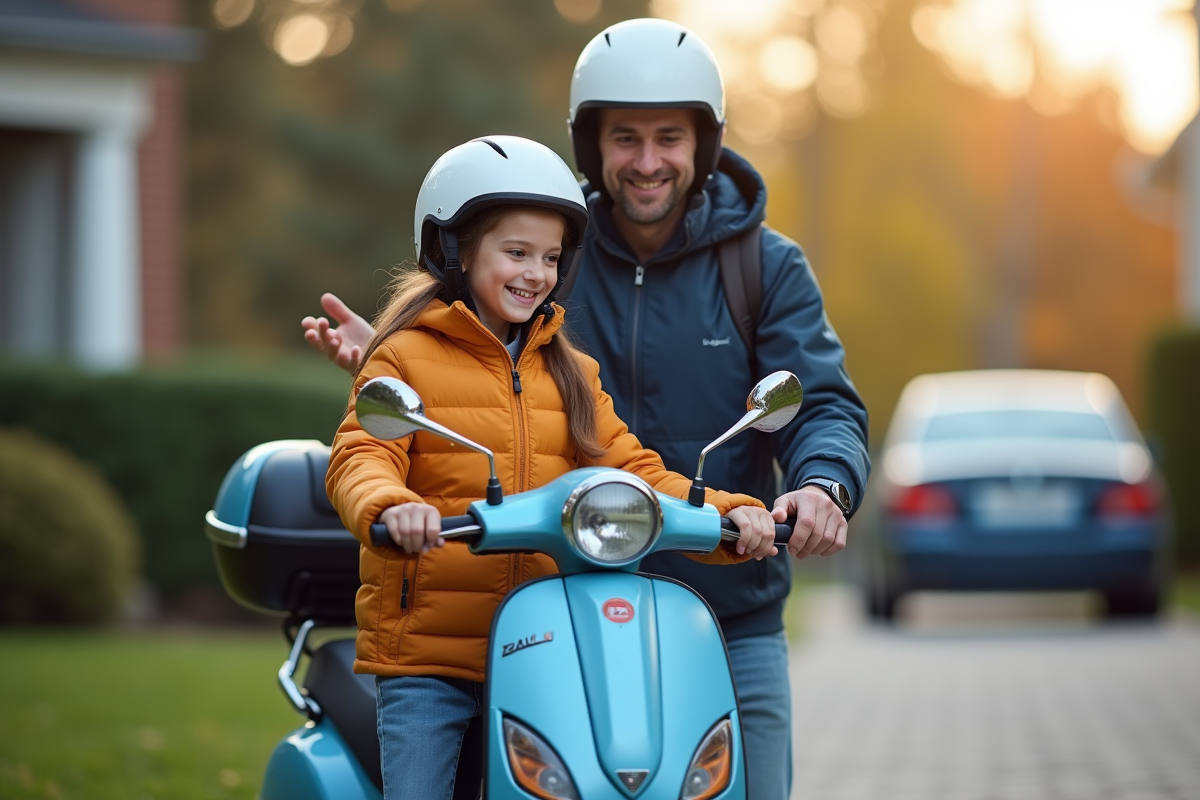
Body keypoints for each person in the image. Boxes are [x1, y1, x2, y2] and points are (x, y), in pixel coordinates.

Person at [306, 19, 870, 800]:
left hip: (722, 607)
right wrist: (403, 367)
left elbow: (658, 457)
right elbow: (446, 385)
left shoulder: (753, 271)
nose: (647, 161)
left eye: (669, 137)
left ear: (704, 144)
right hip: (553, 620)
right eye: (625, 137)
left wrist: (796, 494)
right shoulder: (546, 241)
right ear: (590, 144)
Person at [325, 135, 780, 800]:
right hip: (429, 657)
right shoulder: (403, 359)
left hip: (544, 649)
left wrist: (731, 512)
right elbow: (361, 454)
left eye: (550, 257)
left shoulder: (571, 371)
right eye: (516, 252)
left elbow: (635, 473)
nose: (536, 273)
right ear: (454, 249)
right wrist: (392, 506)